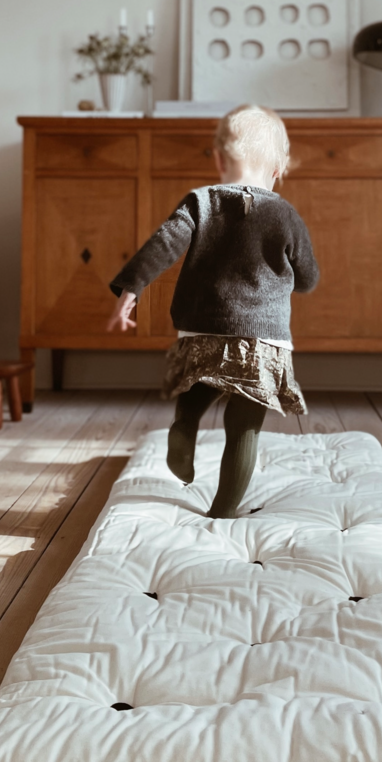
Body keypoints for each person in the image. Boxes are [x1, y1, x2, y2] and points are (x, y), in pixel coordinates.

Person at [107, 104, 319, 518]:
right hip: (262, 339)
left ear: (220, 160)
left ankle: (185, 424)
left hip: (201, 326)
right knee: (243, 426)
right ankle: (222, 512)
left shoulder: (200, 202)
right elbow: (308, 278)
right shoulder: (284, 213)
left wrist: (130, 289)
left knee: (201, 377)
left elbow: (163, 245)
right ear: (279, 168)